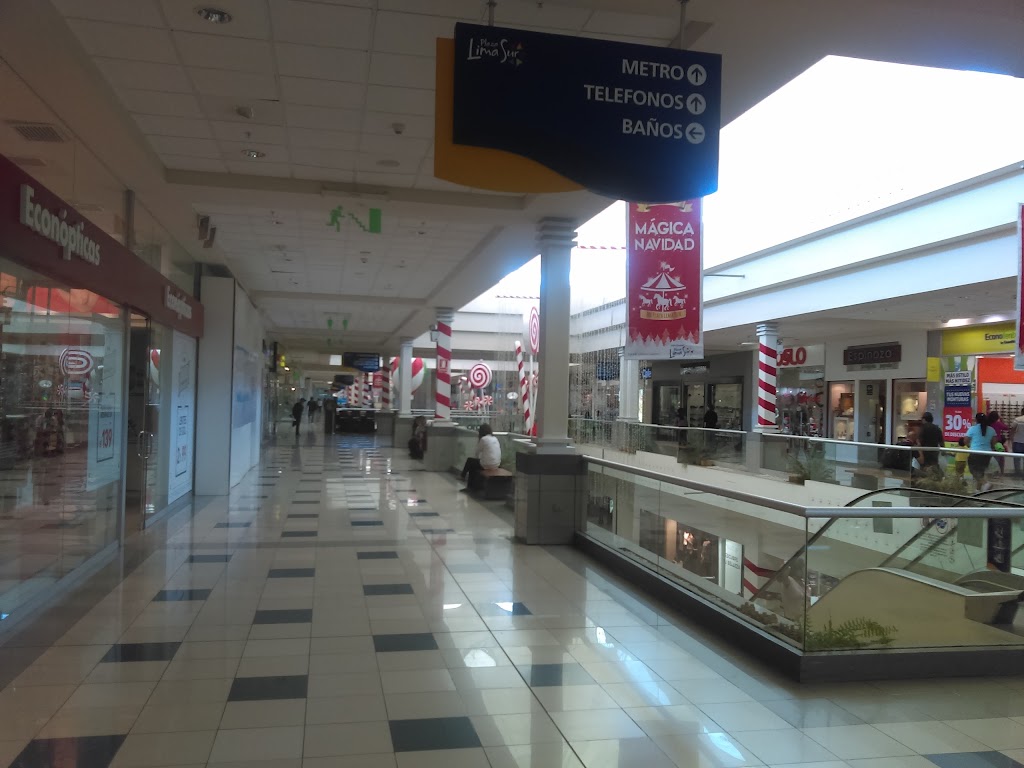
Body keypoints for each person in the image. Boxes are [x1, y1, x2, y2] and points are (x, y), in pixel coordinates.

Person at [460, 424, 501, 492]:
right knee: (474, 464)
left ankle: (465, 481)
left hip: (487, 465)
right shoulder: (495, 438)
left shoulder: (483, 439)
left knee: (470, 462)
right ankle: (472, 485)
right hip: (496, 464)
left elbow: (477, 452)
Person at [965, 412, 998, 490]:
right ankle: (977, 490)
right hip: (987, 454)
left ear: (976, 420)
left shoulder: (972, 429)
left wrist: (970, 445)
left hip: (975, 453)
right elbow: (994, 443)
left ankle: (985, 483)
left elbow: (965, 441)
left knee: (974, 471)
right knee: (981, 472)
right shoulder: (991, 430)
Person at [1011, 408, 1024, 475]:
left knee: (1016, 458)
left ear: (1022, 412)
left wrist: (1011, 439)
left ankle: (1017, 473)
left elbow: (1012, 429)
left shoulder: (1017, 420)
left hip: (1018, 441)